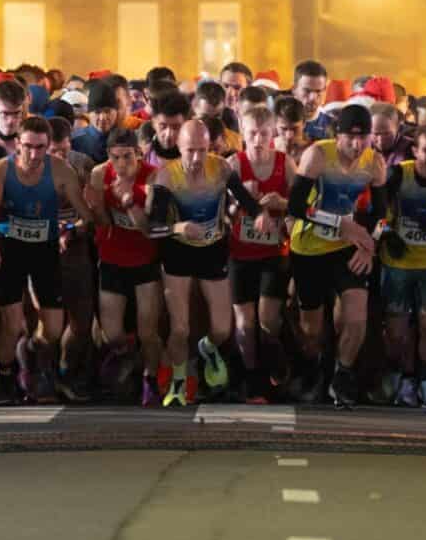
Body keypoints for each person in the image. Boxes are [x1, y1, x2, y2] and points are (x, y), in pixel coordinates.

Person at [290, 102, 385, 407]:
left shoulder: (374, 162)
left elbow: (382, 215)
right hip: (309, 248)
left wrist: (369, 244)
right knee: (312, 327)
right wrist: (340, 223)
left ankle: (341, 376)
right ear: (337, 135)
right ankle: (317, 368)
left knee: (357, 319)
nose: (357, 145)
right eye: (350, 138)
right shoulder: (318, 154)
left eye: (364, 138)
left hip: (347, 248)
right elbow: (295, 207)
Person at [0, 116, 83, 402]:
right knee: (12, 324)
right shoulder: (2, 169)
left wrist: (78, 227)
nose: (34, 154)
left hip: (45, 249)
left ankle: (32, 356)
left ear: (49, 146)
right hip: (10, 248)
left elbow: (84, 212)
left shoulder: (62, 170)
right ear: (17, 144)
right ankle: (4, 375)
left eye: (41, 148)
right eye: (28, 147)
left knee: (52, 328)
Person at [150, 113, 238, 407]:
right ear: (178, 145)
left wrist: (255, 211)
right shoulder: (166, 176)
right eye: (190, 150)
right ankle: (178, 381)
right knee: (180, 328)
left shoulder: (222, 168)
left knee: (223, 329)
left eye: (203, 149)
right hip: (178, 252)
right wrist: (178, 227)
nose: (197, 157)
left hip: (212, 250)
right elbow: (152, 227)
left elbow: (247, 204)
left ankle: (207, 348)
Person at [375, 119, 426, 410]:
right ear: (415, 150)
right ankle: (399, 375)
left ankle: (425, 381)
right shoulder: (397, 174)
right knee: (396, 330)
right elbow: (377, 211)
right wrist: (385, 233)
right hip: (396, 263)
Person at [86, 125, 167, 403]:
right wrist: (96, 207)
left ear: (139, 155)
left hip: (145, 261)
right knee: (112, 334)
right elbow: (101, 220)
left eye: (127, 157)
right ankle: (126, 354)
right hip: (112, 259)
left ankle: (151, 379)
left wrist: (130, 202)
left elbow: (148, 229)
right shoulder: (99, 174)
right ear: (109, 155)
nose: (121, 164)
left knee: (149, 331)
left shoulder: (153, 177)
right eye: (116, 157)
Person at [226, 105, 295, 401]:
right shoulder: (234, 165)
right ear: (242, 133)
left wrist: (281, 202)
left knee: (268, 321)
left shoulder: (285, 163)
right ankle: (253, 378)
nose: (257, 140)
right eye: (251, 133)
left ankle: (273, 371)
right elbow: (222, 212)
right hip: (240, 253)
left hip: (273, 252)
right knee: (245, 323)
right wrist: (239, 204)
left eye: (263, 134)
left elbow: (301, 206)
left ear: (273, 134)